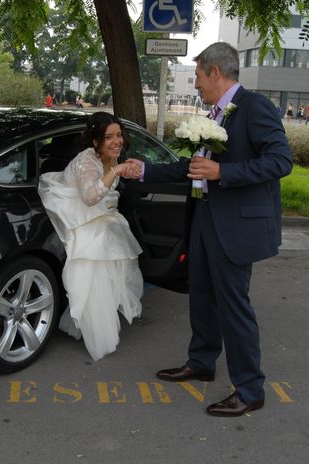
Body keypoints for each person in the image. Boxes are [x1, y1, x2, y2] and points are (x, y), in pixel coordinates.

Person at [126, 42, 293, 417]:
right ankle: (201, 362)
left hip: (235, 227)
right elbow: (196, 166)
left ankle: (250, 389)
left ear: (216, 72)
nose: (197, 84)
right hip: (203, 219)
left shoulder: (254, 108)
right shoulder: (214, 115)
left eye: (199, 76)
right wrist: (146, 171)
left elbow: (281, 161)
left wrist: (224, 173)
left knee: (234, 307)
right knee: (201, 295)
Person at [38, 112, 143, 361]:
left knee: (111, 252)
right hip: (78, 217)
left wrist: (126, 170)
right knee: (97, 258)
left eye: (119, 135)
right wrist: (116, 170)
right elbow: (89, 197)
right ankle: (98, 332)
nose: (117, 141)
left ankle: (98, 320)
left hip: (99, 216)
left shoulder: (113, 156)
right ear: (95, 141)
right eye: (109, 137)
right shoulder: (87, 161)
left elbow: (110, 184)